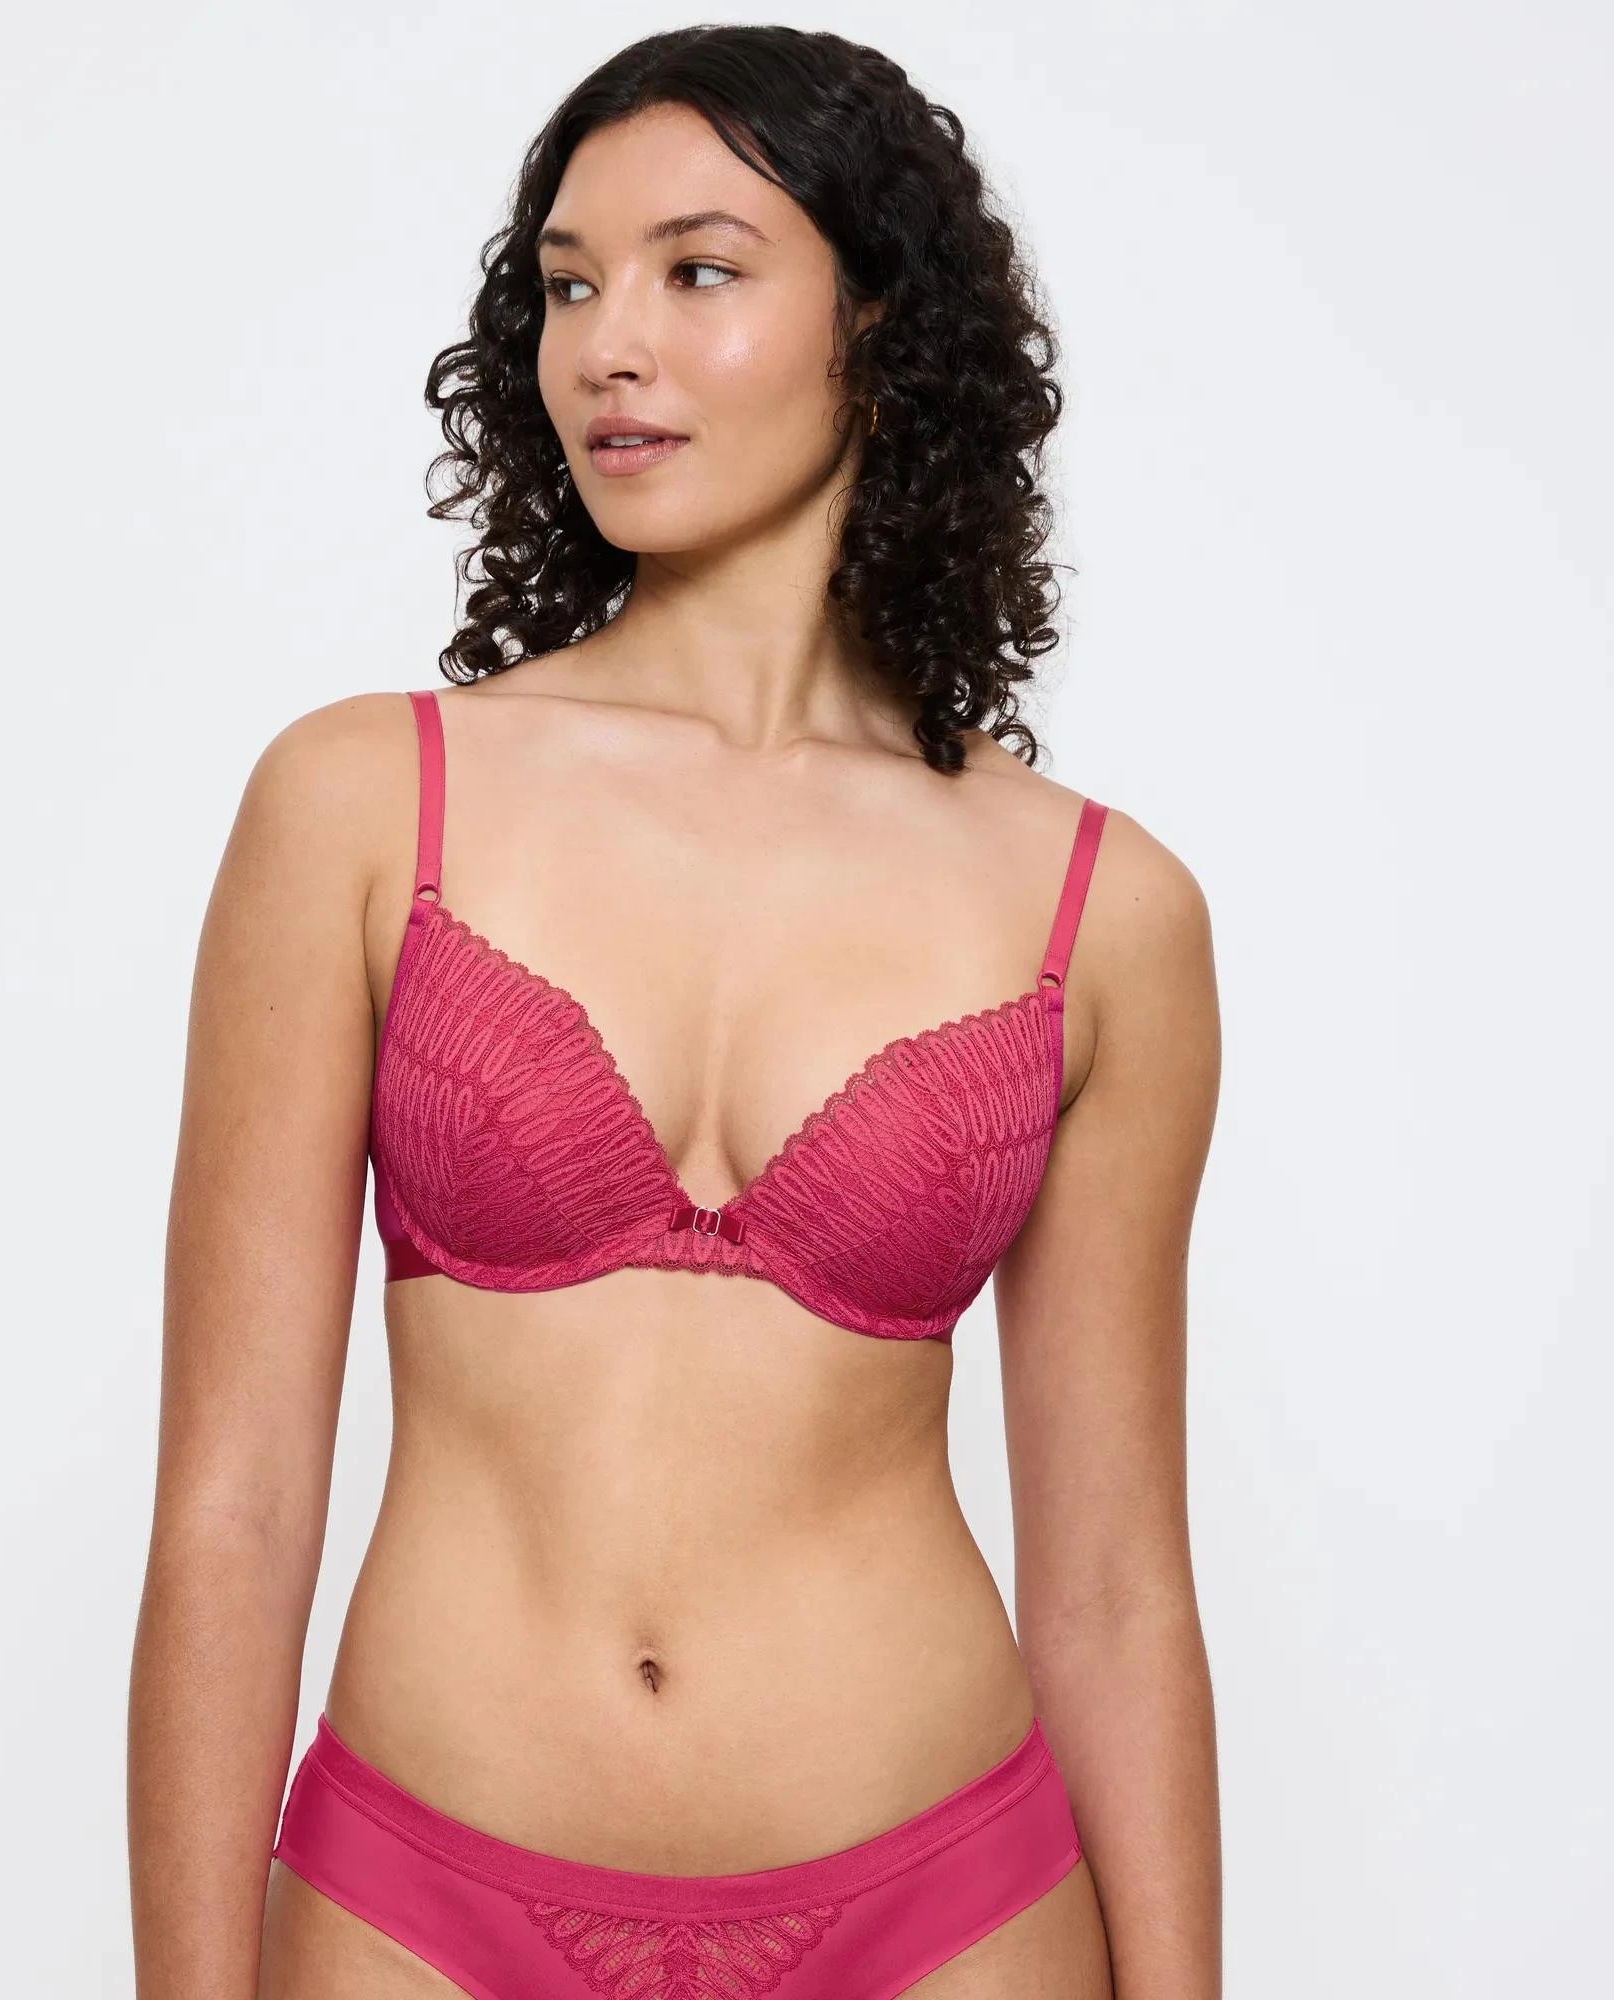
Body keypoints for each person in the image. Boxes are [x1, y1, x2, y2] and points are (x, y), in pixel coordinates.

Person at [128, 25, 1223, 1999]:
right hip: (422, 1905)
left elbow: (1117, 1585)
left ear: (877, 323)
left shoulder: (1102, 910)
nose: (608, 346)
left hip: (949, 1913)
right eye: (568, 286)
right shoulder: (364, 805)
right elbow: (234, 1509)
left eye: (696, 271)